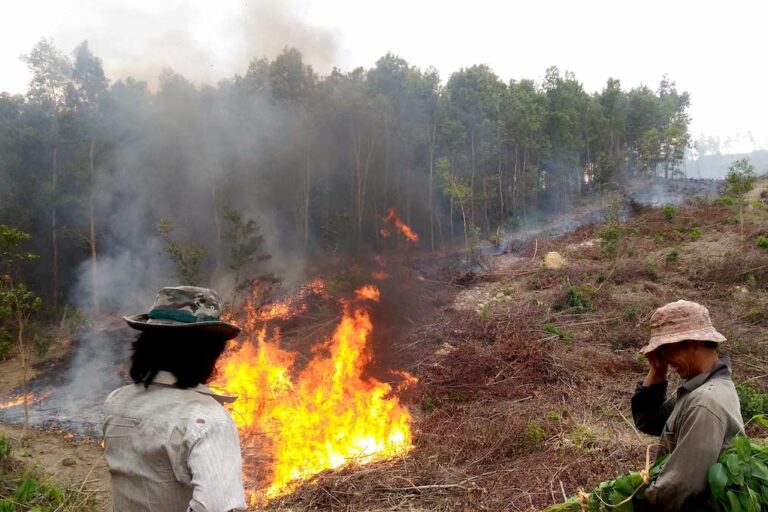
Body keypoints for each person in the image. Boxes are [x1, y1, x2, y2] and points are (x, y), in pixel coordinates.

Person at [103, 286, 247, 512]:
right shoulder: (207, 420)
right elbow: (218, 508)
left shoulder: (116, 402)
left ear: (145, 345)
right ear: (208, 352)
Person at [632, 300, 744, 511]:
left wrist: (625, 504)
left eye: (666, 349)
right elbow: (648, 422)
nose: (663, 357)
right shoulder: (698, 390)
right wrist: (657, 372)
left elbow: (677, 489)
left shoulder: (705, 402)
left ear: (693, 342)